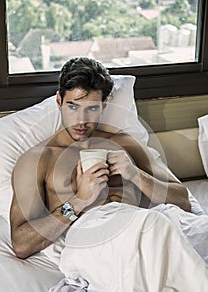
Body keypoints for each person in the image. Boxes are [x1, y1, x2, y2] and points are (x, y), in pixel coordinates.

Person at [10, 57, 191, 260]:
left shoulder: (123, 142)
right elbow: (20, 244)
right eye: (73, 106)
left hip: (147, 228)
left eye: (92, 108)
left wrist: (135, 174)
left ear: (104, 105)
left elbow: (183, 201)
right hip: (102, 247)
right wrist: (79, 200)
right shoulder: (37, 160)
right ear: (59, 101)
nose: (81, 120)